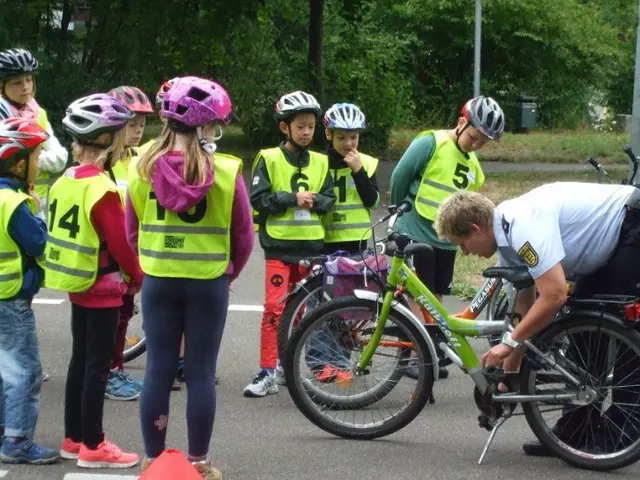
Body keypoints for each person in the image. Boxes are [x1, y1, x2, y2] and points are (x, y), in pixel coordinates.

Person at [434, 184, 640, 456]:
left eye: (462, 244)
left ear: (475, 228)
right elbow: (525, 305)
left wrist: (508, 343)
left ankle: (622, 434)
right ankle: (576, 429)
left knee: (622, 328)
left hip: (631, 225)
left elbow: (554, 296)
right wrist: (509, 374)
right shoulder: (506, 239)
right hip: (610, 240)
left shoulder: (523, 227)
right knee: (583, 331)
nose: (465, 252)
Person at [126, 76, 253, 480]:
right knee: (200, 372)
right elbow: (244, 237)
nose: (217, 130)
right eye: (215, 124)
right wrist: (228, 271)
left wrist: (147, 266)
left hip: (159, 279)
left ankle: (153, 459)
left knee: (157, 370)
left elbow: (133, 232)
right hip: (208, 282)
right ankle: (198, 461)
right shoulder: (227, 171)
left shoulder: (140, 167)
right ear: (202, 126)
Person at [45, 93, 143, 468]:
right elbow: (120, 245)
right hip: (103, 288)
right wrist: (138, 276)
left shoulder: (66, 180)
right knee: (98, 367)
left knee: (80, 361)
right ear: (106, 140)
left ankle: (73, 438)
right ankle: (94, 444)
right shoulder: (101, 188)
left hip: (77, 282)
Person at [390, 95, 504, 379]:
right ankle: (416, 355)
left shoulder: (474, 167)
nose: (477, 145)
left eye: (483, 143)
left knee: (435, 297)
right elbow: (400, 176)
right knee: (417, 297)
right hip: (417, 230)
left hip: (446, 241)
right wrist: (398, 211)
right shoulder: (431, 142)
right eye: (475, 137)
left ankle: (429, 350)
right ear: (461, 123)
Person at [245, 90, 336, 397]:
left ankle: (287, 367)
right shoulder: (268, 159)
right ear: (285, 127)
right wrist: (291, 199)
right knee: (274, 309)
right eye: (300, 126)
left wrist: (315, 202)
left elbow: (329, 200)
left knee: (304, 312)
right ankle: (267, 370)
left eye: (311, 126)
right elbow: (259, 200)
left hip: (310, 251)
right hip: (280, 249)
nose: (306, 132)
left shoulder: (322, 162)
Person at [0, 116, 58, 465]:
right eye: (37, 158)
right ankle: (17, 440)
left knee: (5, 368)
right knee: (25, 371)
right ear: (19, 164)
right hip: (13, 299)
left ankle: (6, 428)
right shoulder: (14, 204)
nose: (39, 165)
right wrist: (38, 210)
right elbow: (37, 242)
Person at [103, 85, 155, 401]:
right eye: (130, 124)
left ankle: (116, 369)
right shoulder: (105, 163)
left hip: (132, 253)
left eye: (140, 124)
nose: (137, 131)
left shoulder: (139, 159)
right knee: (110, 319)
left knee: (124, 315)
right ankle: (108, 373)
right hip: (109, 257)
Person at [0, 48, 68, 220]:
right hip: (6, 203)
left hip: (37, 204)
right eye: (17, 82)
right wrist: (36, 157)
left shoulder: (38, 114)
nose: (25, 87)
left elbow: (60, 158)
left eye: (29, 80)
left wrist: (33, 159)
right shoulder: (2, 116)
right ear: (2, 86)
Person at [322, 102, 379, 253]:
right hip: (325, 239)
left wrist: (358, 171)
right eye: (341, 137)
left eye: (353, 137)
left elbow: (372, 202)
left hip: (356, 241)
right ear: (329, 134)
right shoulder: (319, 164)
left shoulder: (366, 163)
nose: (348, 143)